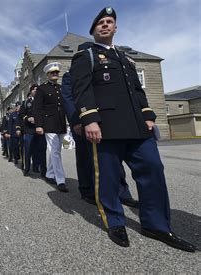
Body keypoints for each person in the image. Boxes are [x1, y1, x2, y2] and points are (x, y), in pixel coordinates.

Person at [70, 7, 196, 252]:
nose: (105, 25)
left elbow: (138, 91)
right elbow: (81, 89)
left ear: (115, 28)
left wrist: (148, 116)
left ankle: (156, 224)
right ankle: (115, 221)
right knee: (107, 178)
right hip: (106, 127)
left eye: (109, 22)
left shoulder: (126, 59)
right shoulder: (86, 56)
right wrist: (89, 119)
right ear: (93, 30)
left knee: (153, 169)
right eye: (100, 23)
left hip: (137, 127)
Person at [61, 69, 138, 207]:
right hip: (82, 121)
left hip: (105, 121)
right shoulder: (70, 75)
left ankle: (121, 192)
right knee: (85, 157)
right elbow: (68, 99)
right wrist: (76, 122)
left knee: (113, 158)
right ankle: (87, 190)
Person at [34, 62, 68, 192]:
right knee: (54, 151)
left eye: (57, 72)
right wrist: (39, 125)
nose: (55, 74)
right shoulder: (42, 89)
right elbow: (37, 109)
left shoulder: (60, 88)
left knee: (56, 151)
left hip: (60, 123)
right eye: (52, 72)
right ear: (47, 74)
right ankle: (61, 180)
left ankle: (49, 174)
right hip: (48, 124)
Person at [19, 85, 46, 177]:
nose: (36, 91)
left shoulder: (42, 101)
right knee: (28, 149)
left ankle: (38, 168)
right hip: (29, 129)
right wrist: (28, 118)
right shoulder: (26, 102)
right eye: (34, 90)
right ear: (30, 92)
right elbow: (21, 114)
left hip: (40, 129)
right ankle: (26, 169)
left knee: (39, 149)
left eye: (37, 90)